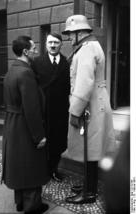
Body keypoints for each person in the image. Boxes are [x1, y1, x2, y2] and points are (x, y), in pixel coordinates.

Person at [62, 15, 116, 204]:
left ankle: (89, 193)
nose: (69, 38)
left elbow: (84, 84)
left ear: (80, 33)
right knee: (90, 149)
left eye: (70, 34)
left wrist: (74, 111)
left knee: (90, 150)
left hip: (89, 106)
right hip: (94, 103)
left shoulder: (86, 49)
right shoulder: (90, 46)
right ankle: (88, 184)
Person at [1, 35, 49, 213]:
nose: (36, 51)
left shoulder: (12, 69)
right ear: (25, 51)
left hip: (13, 125)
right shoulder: (26, 72)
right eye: (34, 48)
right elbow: (32, 108)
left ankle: (21, 202)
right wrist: (39, 136)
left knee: (20, 164)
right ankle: (33, 206)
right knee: (31, 165)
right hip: (25, 126)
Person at [32, 33, 70, 182]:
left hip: (60, 111)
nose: (53, 45)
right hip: (43, 110)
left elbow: (69, 86)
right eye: (50, 43)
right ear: (46, 44)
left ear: (61, 44)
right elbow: (33, 87)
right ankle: (42, 170)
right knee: (43, 142)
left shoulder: (66, 62)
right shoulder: (37, 62)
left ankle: (53, 169)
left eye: (56, 42)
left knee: (59, 142)